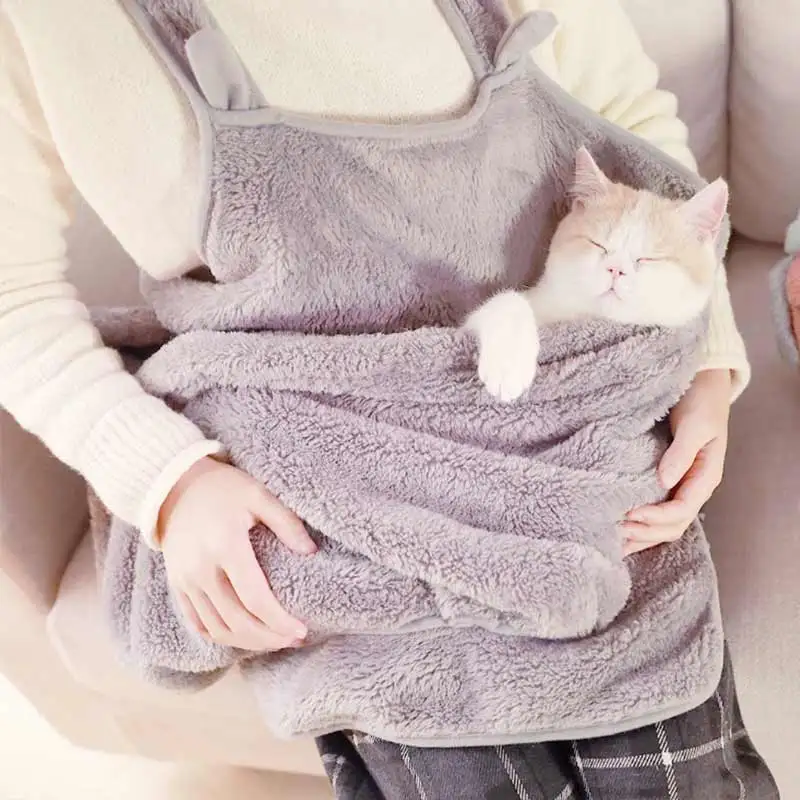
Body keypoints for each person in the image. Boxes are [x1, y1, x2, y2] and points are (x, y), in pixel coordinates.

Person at [0, 0, 778, 797]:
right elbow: (12, 299)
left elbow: (632, 131)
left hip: (559, 414)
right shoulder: (43, 26)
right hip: (325, 464)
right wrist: (172, 483)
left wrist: (707, 360)